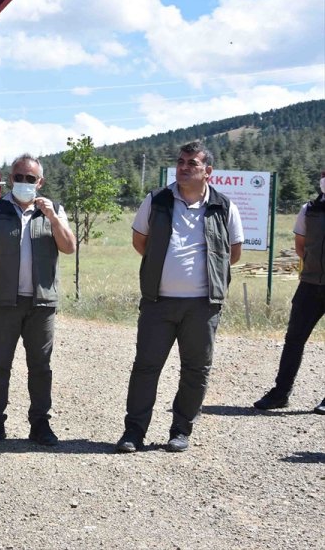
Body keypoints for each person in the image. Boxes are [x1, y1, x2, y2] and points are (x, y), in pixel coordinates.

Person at [117, 141, 243, 453]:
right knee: (146, 367)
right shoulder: (157, 201)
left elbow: (233, 253)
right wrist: (165, 266)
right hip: (158, 302)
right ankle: (133, 432)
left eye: (192, 163)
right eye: (181, 161)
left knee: (195, 369)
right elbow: (140, 241)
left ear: (208, 171)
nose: (184, 167)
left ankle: (181, 430)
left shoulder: (224, 206)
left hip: (203, 305)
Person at [0, 153, 76, 446]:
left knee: (41, 366)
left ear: (40, 182)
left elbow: (68, 247)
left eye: (31, 179)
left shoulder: (53, 210)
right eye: (19, 177)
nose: (24, 183)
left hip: (41, 304)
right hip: (5, 301)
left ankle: (40, 424)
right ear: (10, 178)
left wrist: (54, 218)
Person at [253, 168, 325, 415]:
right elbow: (300, 245)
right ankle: (280, 393)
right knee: (293, 340)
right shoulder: (309, 209)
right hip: (309, 285)